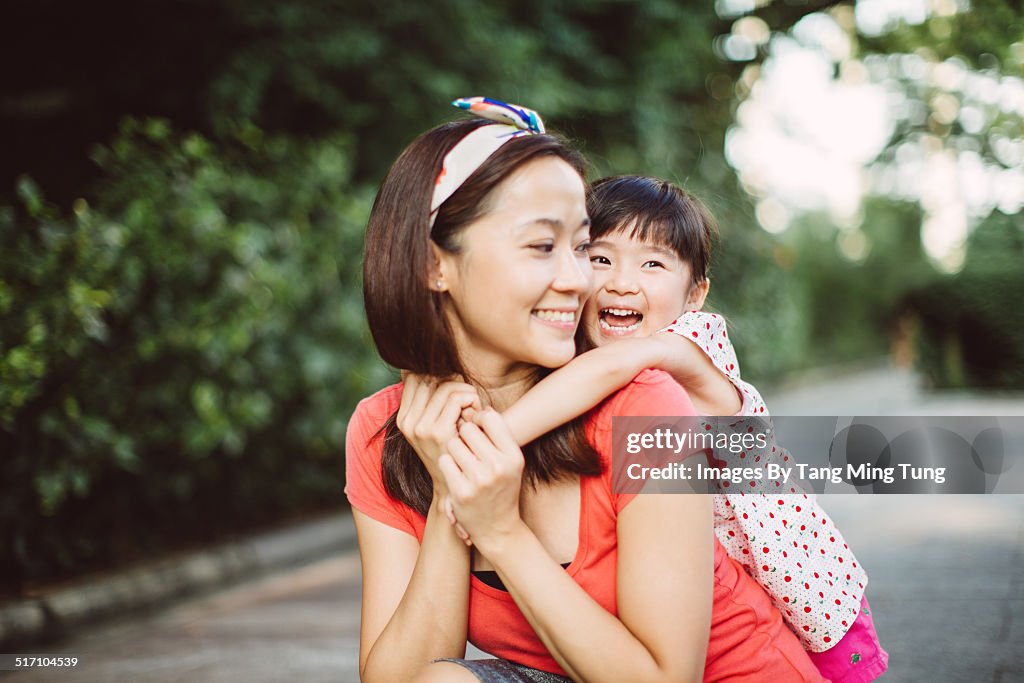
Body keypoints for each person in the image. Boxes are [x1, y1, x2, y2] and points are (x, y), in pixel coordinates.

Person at [345, 98, 824, 682]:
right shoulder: (386, 430)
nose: (580, 281)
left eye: (579, 246)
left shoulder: (645, 406)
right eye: (544, 246)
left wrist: (499, 530)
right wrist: (454, 492)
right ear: (433, 264)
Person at [490, 175, 888, 682]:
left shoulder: (686, 347)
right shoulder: (591, 358)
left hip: (807, 594)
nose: (621, 281)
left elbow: (602, 372)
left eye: (652, 263)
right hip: (729, 587)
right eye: (600, 258)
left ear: (695, 294)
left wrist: (489, 443)